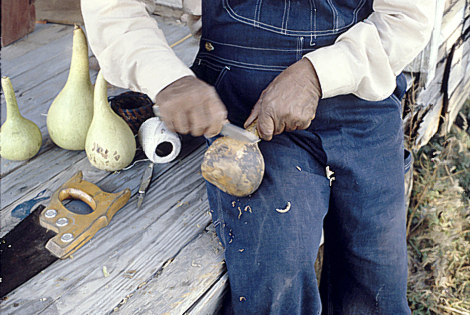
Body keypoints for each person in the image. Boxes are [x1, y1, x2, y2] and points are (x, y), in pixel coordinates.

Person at [82, 0, 436, 313]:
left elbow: (407, 16)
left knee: (376, 277)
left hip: (362, 91)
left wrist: (316, 75)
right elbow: (112, 7)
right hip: (245, 102)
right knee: (278, 264)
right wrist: (166, 78)